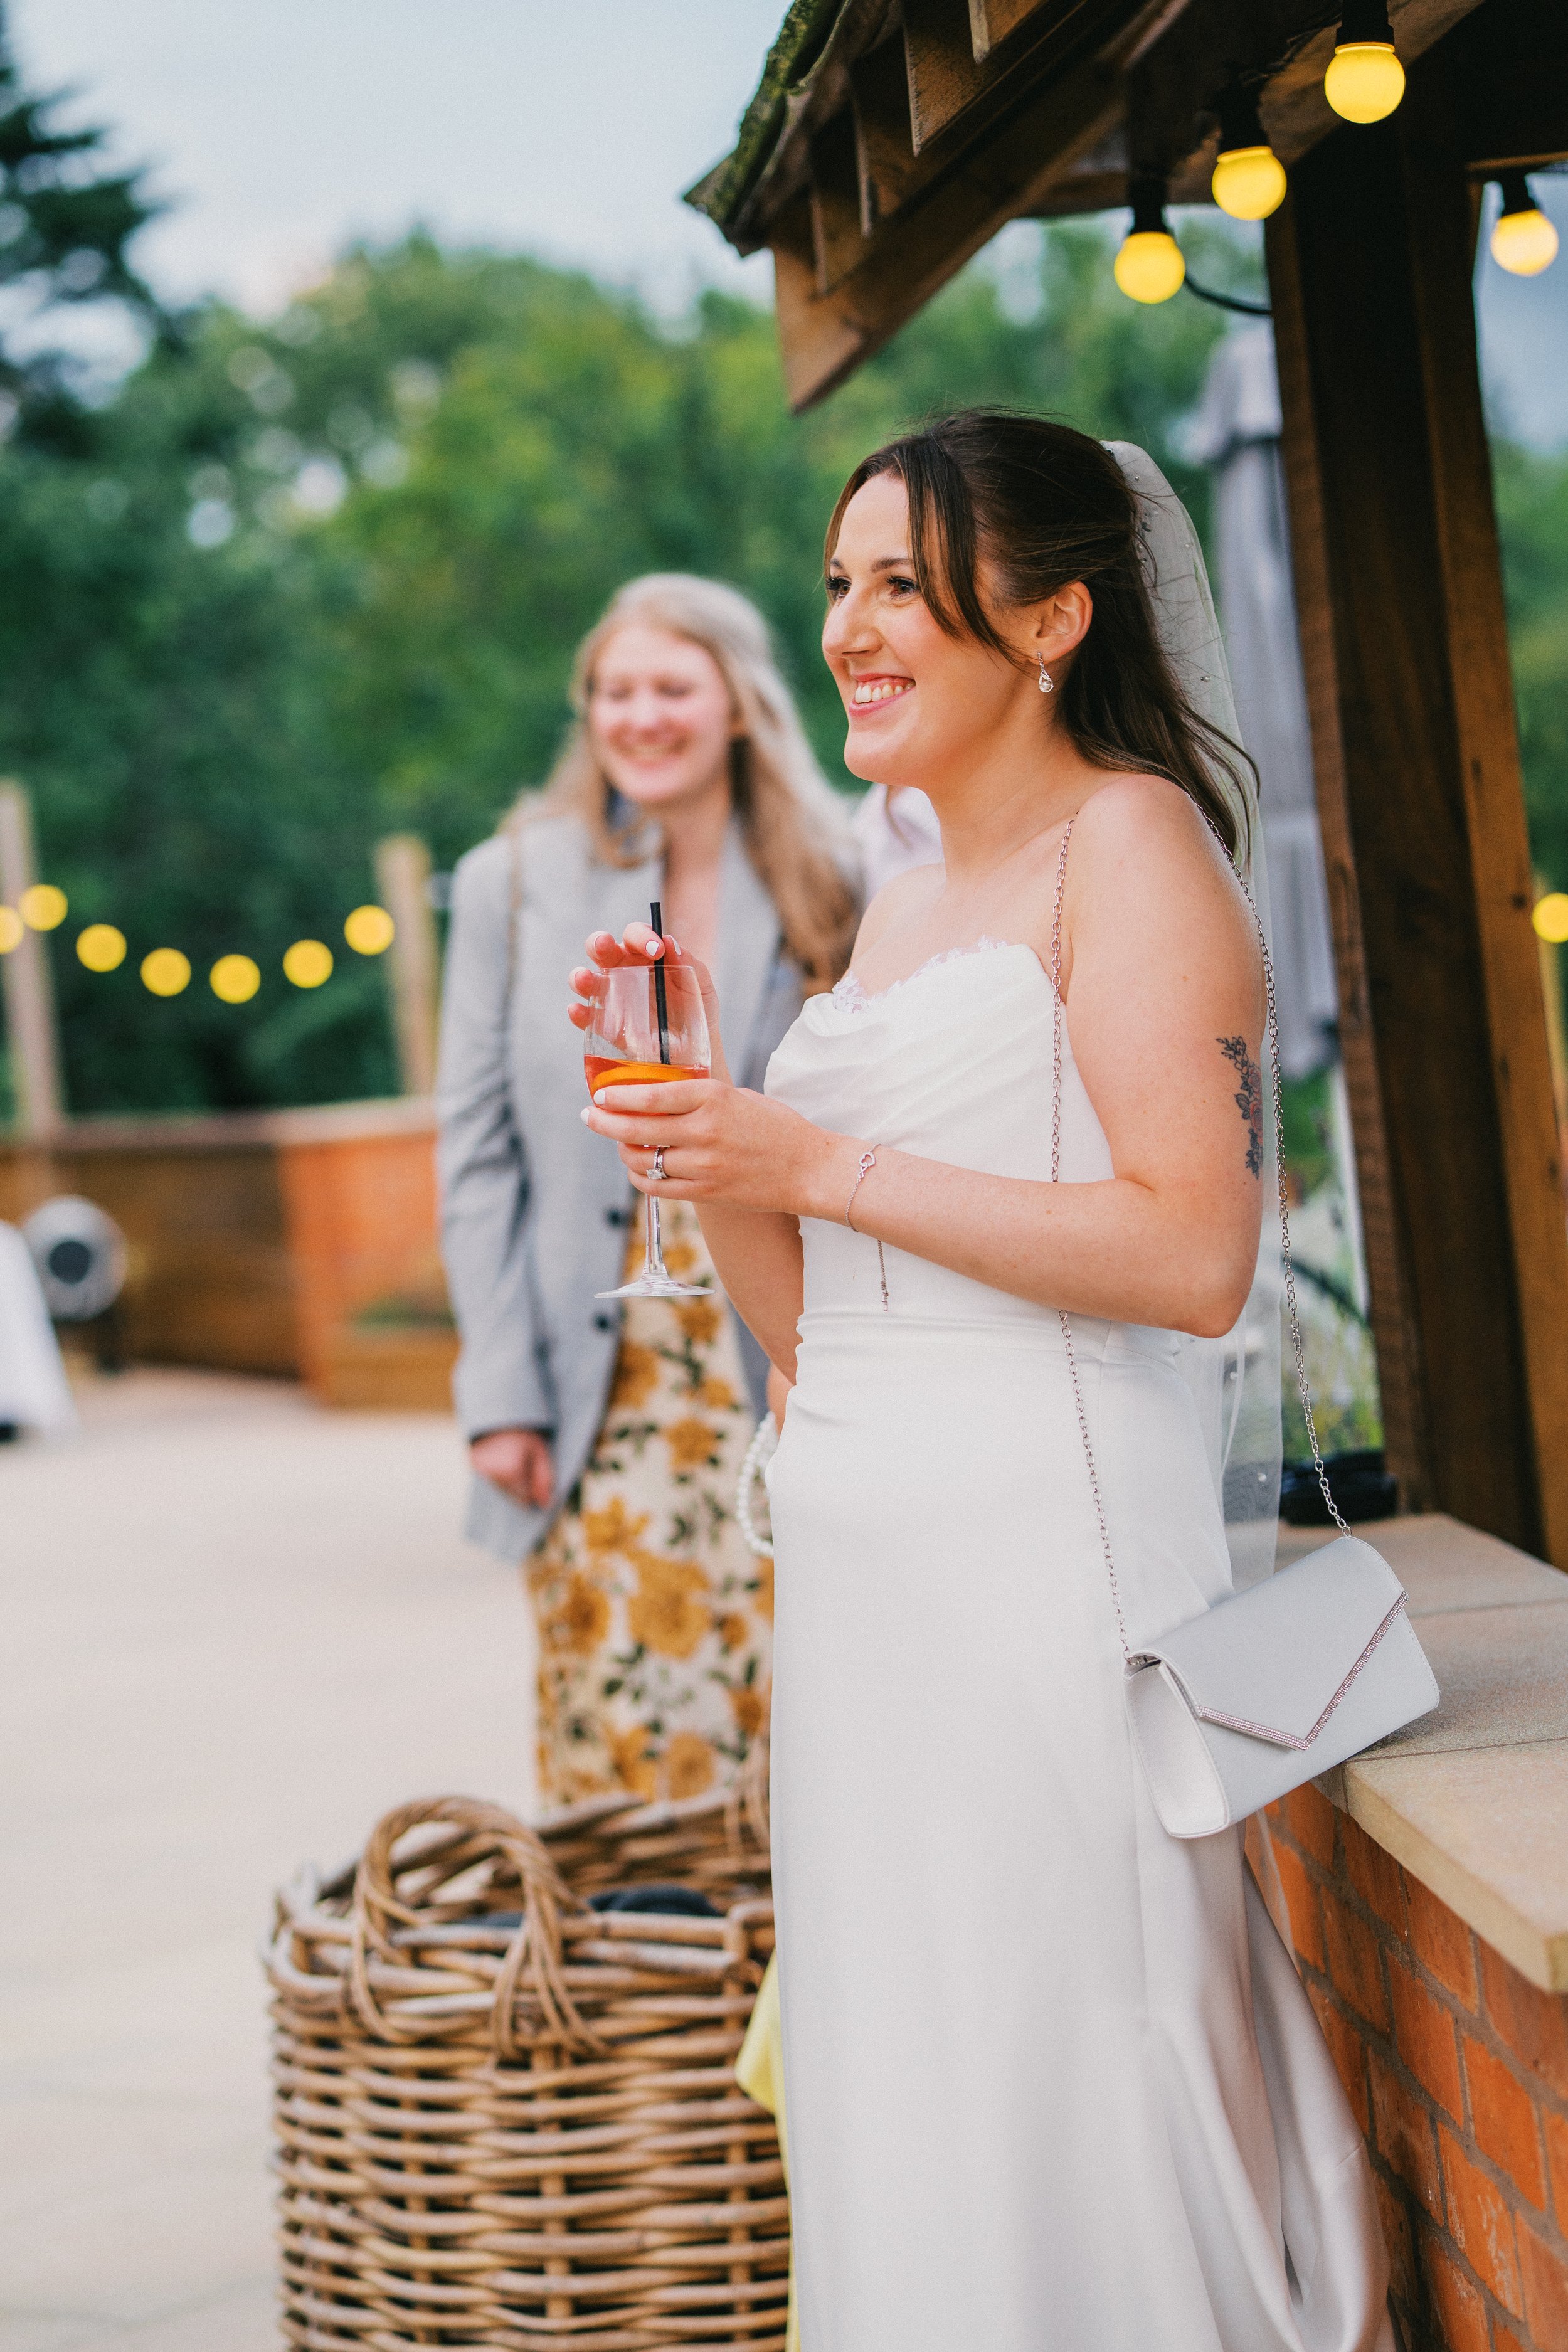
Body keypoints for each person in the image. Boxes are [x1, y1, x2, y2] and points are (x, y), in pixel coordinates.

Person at [578, 416, 1392, 2349]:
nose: (848, 626)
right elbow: (820, 1325)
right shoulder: (908, 883)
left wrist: (812, 1158)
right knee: (912, 2059)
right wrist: (696, 1135)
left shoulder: (1130, 842)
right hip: (867, 1603)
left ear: (1045, 616)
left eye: (898, 585)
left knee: (1052, 2046)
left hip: (1044, 1585)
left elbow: (1196, 1256)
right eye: (839, 581)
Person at [438, 573, 857, 1807]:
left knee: (801, 1707)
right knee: (627, 1719)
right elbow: (474, 1151)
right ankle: (650, 1988)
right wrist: (497, 1393)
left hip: (777, 1342)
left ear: (735, 703)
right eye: (612, 692)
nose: (639, 715)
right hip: (596, 1368)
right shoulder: (507, 882)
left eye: (670, 686)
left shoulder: (831, 871)